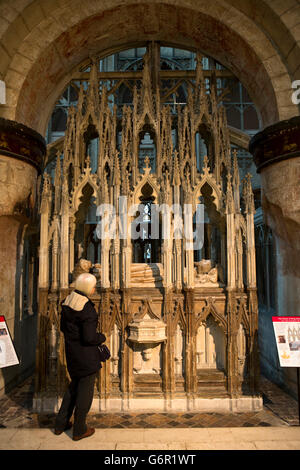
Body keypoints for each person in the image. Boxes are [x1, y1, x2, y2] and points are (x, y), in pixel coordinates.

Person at [54, 273, 106, 441]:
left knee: (74, 387)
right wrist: (102, 337)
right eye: (93, 286)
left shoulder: (67, 302)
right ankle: (79, 429)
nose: (94, 289)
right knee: (85, 393)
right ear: (86, 288)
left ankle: (60, 423)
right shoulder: (87, 309)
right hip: (86, 357)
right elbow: (89, 338)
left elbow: (63, 328)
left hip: (72, 354)